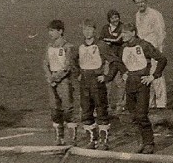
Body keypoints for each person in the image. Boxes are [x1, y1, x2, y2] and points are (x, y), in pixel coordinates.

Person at [120, 23, 167, 154]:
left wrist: (153, 76)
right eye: (122, 33)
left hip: (142, 83)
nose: (122, 35)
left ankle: (149, 143)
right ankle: (140, 141)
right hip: (129, 84)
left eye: (125, 33)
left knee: (142, 114)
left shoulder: (144, 45)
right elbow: (119, 62)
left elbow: (162, 59)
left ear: (133, 33)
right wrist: (123, 72)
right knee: (133, 115)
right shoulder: (123, 47)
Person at [77, 20, 113, 149]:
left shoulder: (101, 45)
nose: (87, 32)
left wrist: (107, 76)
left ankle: (104, 140)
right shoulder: (80, 46)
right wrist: (78, 73)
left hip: (97, 81)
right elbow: (74, 61)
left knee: (101, 108)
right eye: (85, 29)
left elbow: (113, 61)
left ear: (94, 30)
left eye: (90, 29)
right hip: (84, 81)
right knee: (86, 110)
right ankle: (92, 139)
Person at [44, 20, 78, 146]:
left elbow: (67, 66)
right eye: (49, 31)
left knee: (68, 109)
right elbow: (45, 63)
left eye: (52, 31)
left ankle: (72, 138)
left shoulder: (68, 47)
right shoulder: (49, 46)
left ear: (60, 31)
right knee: (54, 109)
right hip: (52, 81)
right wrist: (49, 77)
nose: (50, 33)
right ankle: (59, 137)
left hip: (64, 81)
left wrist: (55, 78)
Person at [132, 0, 168, 109]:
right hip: (143, 50)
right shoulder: (137, 15)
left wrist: (158, 49)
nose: (140, 5)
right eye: (138, 3)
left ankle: (161, 102)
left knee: (156, 74)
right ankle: (150, 102)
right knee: (146, 74)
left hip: (154, 48)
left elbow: (161, 32)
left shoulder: (155, 14)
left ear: (146, 1)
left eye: (142, 2)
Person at [100, 10, 127, 115]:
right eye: (112, 18)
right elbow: (101, 41)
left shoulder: (123, 27)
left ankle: (120, 105)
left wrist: (109, 40)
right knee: (107, 82)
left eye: (117, 17)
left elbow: (118, 40)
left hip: (119, 59)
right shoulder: (105, 28)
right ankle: (108, 105)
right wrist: (109, 40)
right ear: (109, 20)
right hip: (108, 60)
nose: (115, 20)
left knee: (119, 82)